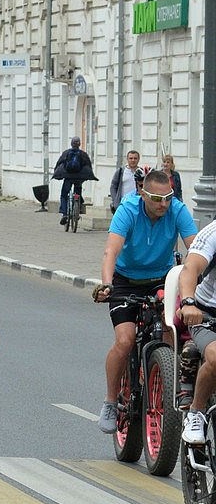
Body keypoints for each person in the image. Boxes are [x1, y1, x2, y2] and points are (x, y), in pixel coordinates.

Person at [94, 169, 198, 433]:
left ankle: (171, 384)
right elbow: (111, 251)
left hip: (163, 279)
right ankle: (109, 401)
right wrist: (107, 284)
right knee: (125, 339)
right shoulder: (128, 210)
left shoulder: (177, 210)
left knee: (172, 333)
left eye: (168, 198)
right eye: (156, 198)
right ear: (143, 194)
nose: (163, 204)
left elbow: (196, 249)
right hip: (125, 280)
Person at [176, 219, 216, 445]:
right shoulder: (212, 232)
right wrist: (189, 302)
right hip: (207, 314)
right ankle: (196, 413)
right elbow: (191, 268)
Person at [52, 136, 98, 224]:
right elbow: (88, 165)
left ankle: (64, 213)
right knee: (78, 193)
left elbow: (59, 163)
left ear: (71, 144)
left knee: (64, 195)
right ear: (79, 144)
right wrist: (88, 176)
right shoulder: (83, 154)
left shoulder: (66, 153)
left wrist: (56, 173)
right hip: (79, 178)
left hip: (68, 177)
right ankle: (77, 209)